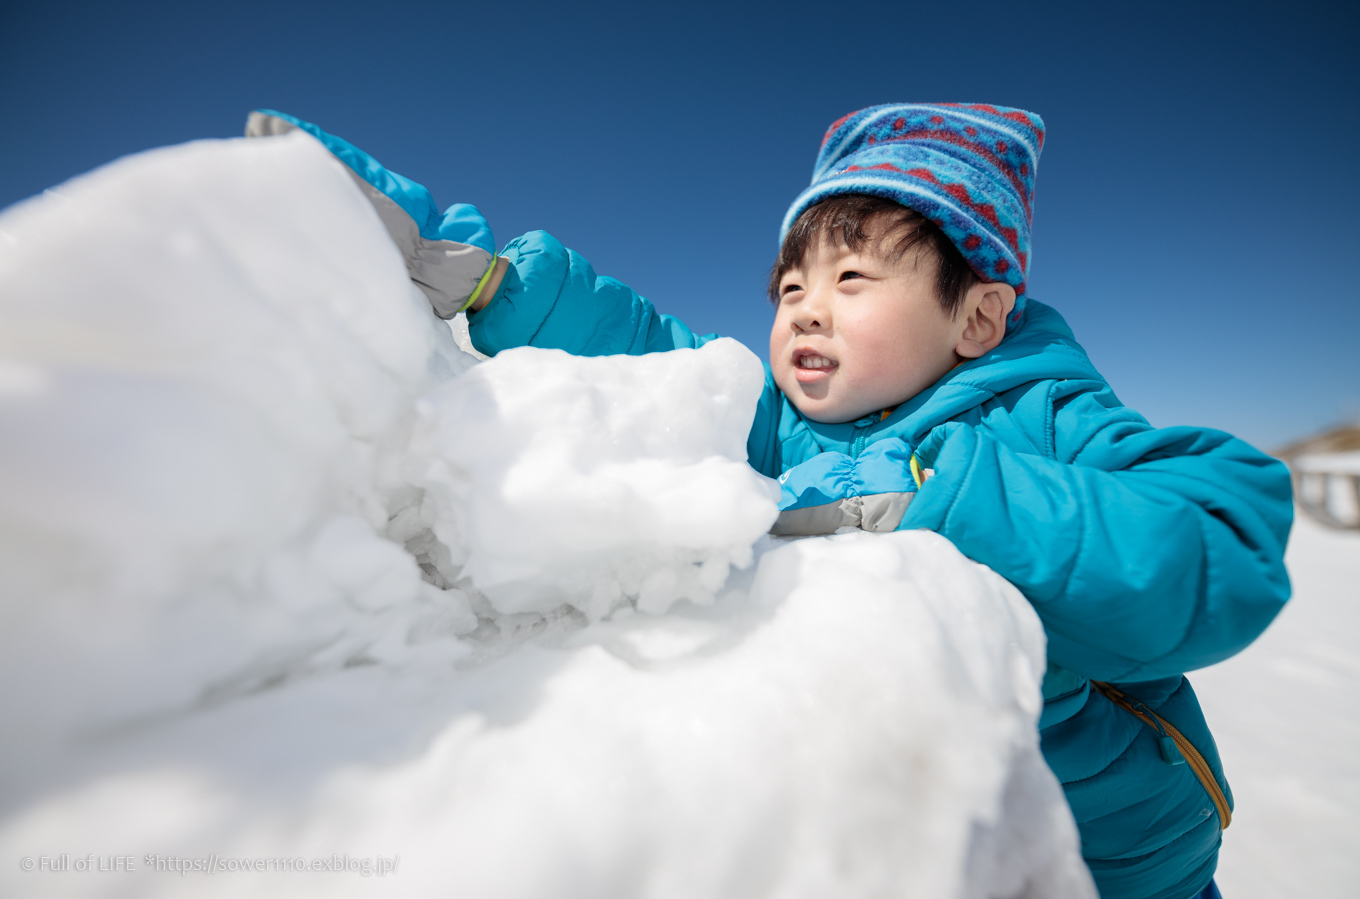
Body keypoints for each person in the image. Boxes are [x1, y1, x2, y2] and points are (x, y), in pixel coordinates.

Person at [247, 104, 1291, 899]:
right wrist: (474, 272)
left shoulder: (1043, 417)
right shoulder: (784, 430)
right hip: (914, 840)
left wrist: (948, 495)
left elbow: (1224, 541)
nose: (804, 309)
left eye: (850, 281)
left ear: (975, 317)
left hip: (1120, 853)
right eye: (790, 287)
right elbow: (656, 361)